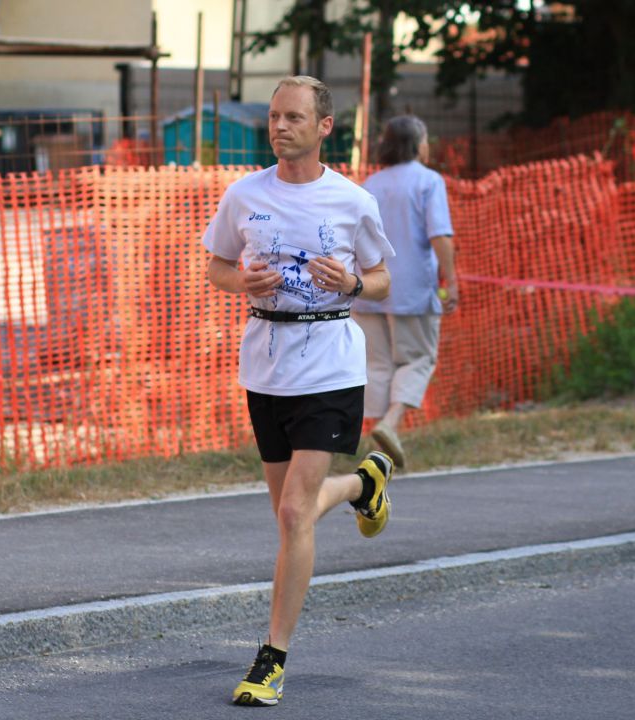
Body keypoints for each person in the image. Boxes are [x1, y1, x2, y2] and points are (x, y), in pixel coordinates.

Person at [202, 75, 396, 707]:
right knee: (292, 516)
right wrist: (244, 283)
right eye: (274, 117)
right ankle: (363, 484)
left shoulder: (352, 201)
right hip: (267, 363)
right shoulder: (243, 195)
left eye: (292, 117)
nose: (279, 126)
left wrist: (350, 283)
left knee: (293, 513)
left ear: (324, 128)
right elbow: (216, 266)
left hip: (332, 365)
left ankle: (271, 659)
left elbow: (384, 279)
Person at [353, 115, 458, 469]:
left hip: (368, 287)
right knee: (418, 359)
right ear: (418, 144)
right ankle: (390, 424)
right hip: (412, 288)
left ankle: (377, 451)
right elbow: (439, 234)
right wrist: (452, 279)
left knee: (378, 364)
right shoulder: (429, 181)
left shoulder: (370, 183)